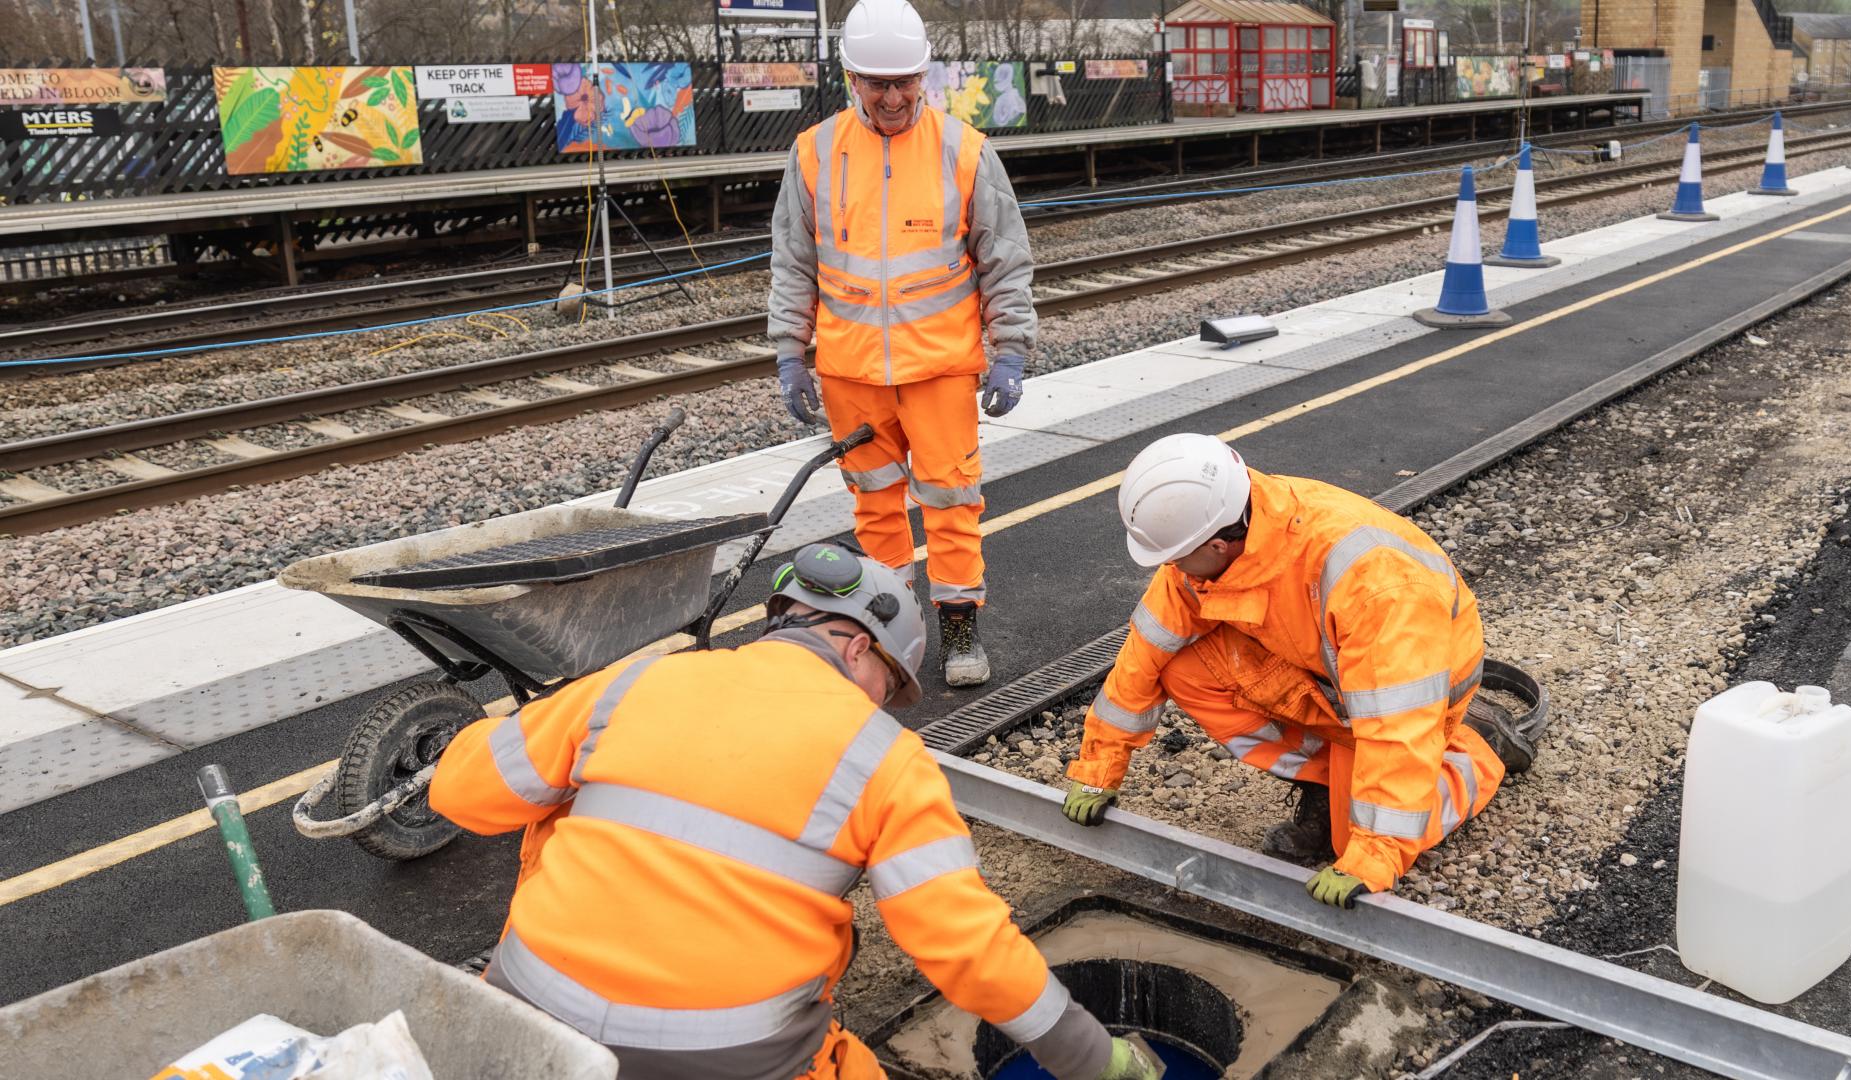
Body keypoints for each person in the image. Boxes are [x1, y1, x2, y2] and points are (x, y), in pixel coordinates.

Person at [430, 543, 1158, 1080]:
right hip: (731, 1063)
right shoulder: (887, 760)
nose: (880, 703)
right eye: (889, 684)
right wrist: (1095, 1057)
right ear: (860, 650)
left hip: (524, 1019)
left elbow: (460, 794)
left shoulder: (638, 680)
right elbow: (965, 944)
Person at [1059, 434, 1540, 908]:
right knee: (1182, 668)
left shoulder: (1375, 585)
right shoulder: (1220, 532)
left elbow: (1395, 725)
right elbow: (1145, 653)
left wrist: (1376, 853)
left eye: (1175, 555)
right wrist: (1099, 765)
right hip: (1330, 673)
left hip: (1410, 688)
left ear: (1219, 544)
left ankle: (1473, 752)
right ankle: (1328, 780)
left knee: (1360, 832)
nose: (1169, 567)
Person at [767, 0, 1038, 689]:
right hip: (851, 372)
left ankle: (958, 631)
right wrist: (790, 355)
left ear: (924, 75)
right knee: (875, 508)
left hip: (941, 369)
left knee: (952, 505)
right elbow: (794, 263)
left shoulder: (965, 151)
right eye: (876, 83)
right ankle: (892, 626)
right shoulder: (814, 153)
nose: (891, 98)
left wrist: (1011, 350)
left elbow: (1005, 259)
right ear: (851, 79)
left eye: (904, 83)